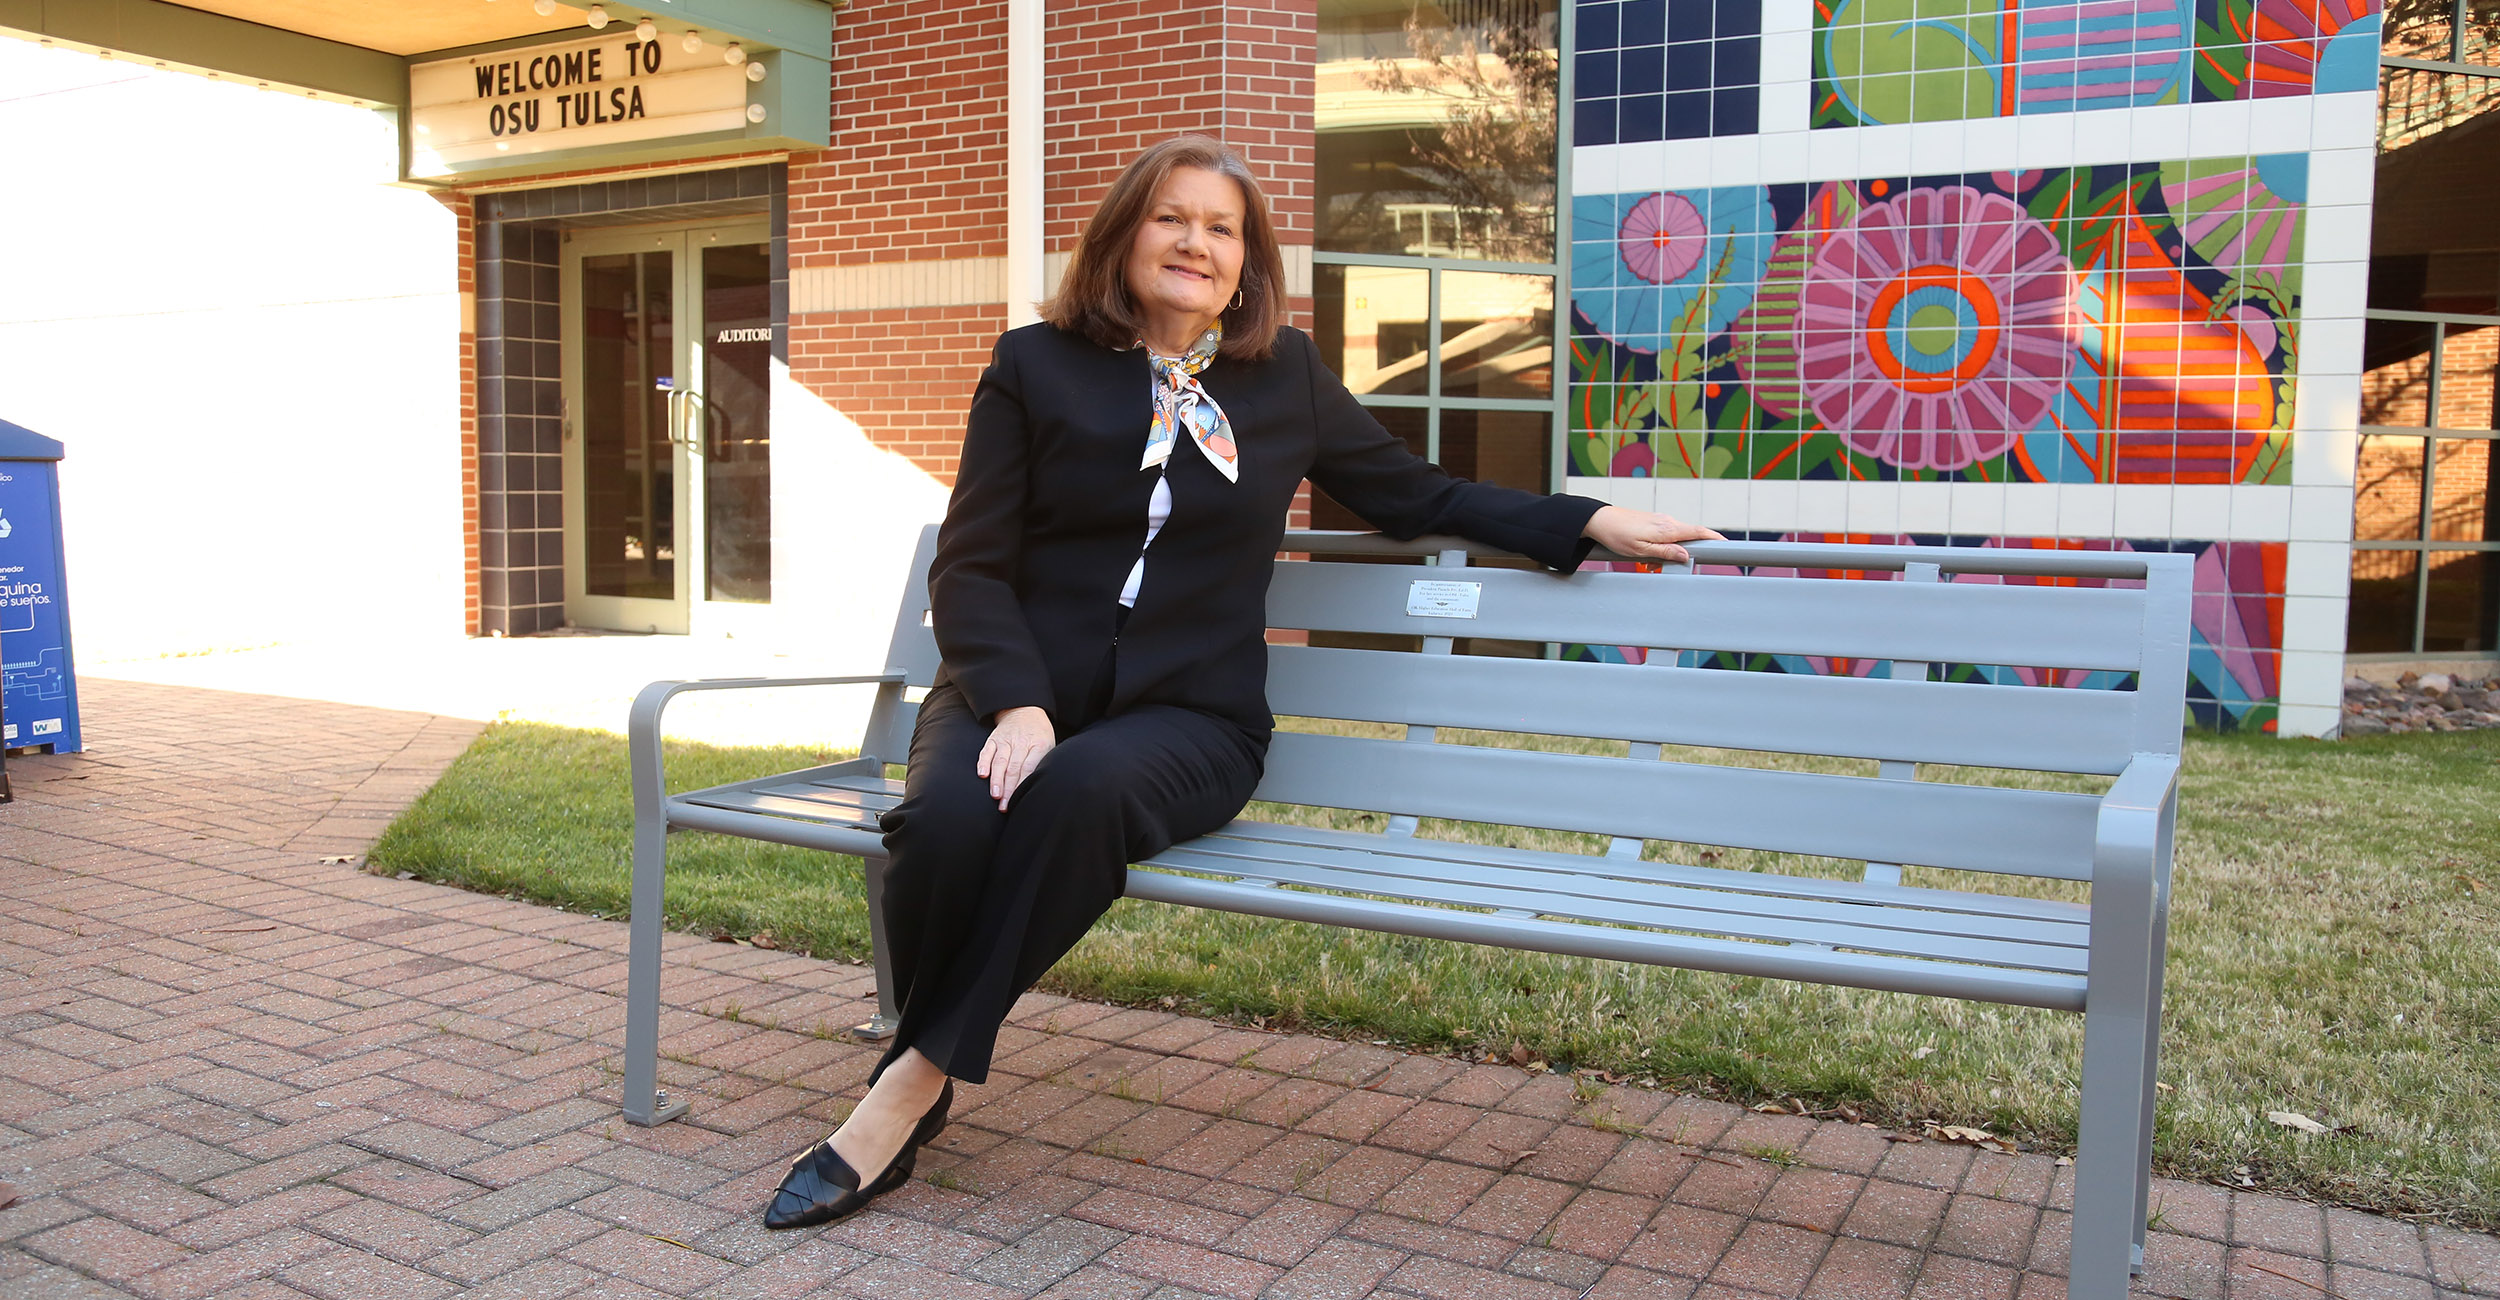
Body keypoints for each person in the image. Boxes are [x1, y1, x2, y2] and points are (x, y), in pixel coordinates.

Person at [765, 135, 1721, 1229]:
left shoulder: (1286, 379)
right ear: (1125, 233)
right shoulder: (1035, 365)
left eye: (1221, 228)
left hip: (1191, 717)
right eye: (1172, 217)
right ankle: (924, 1058)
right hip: (1012, 689)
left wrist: (1584, 518)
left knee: (1076, 796)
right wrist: (1020, 704)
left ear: (1247, 259)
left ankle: (905, 1088)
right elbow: (971, 564)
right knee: (942, 822)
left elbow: (1414, 494)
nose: (1195, 243)